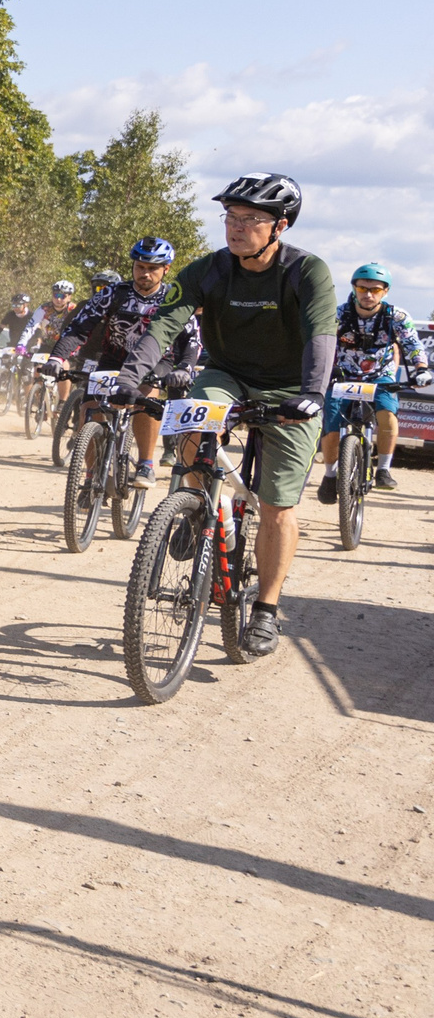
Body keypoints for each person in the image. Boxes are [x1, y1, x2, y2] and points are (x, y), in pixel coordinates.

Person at [119, 173, 336, 657]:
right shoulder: (210, 269)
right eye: (231, 218)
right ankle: (194, 506)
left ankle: (265, 611)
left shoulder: (307, 271)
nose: (236, 228)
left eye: (250, 219)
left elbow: (322, 333)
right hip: (227, 374)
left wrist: (313, 395)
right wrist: (130, 378)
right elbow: (166, 321)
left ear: (279, 225)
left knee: (278, 505)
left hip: (290, 388)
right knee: (194, 420)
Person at [51, 239, 196, 485]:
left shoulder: (174, 298)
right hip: (114, 359)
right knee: (88, 410)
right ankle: (90, 475)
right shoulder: (112, 294)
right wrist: (57, 356)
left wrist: (184, 368)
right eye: (140, 267)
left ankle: (146, 464)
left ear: (166, 269)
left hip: (157, 361)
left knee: (145, 396)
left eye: (153, 269)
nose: (145, 274)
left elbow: (192, 339)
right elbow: (79, 327)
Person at [318, 261, 429, 499]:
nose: (368, 294)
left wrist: (421, 367)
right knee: (331, 424)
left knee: (387, 413)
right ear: (354, 288)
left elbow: (412, 343)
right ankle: (329, 475)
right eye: (362, 288)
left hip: (380, 376)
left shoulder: (396, 317)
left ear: (385, 291)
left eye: (376, 290)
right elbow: (321, 343)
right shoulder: (337, 314)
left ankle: (384, 470)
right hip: (343, 375)